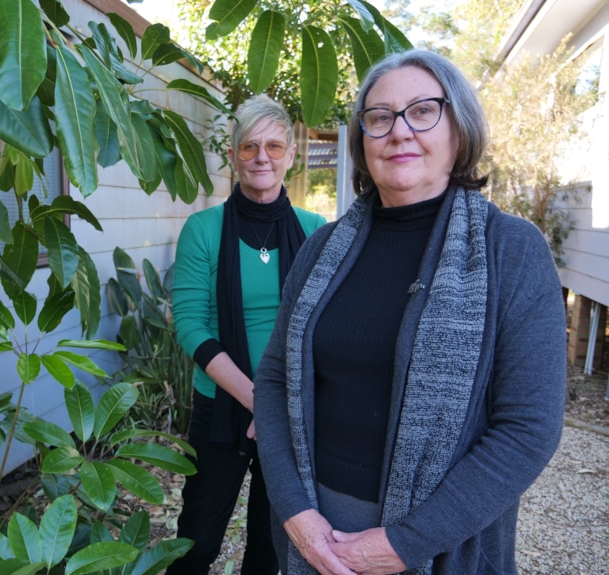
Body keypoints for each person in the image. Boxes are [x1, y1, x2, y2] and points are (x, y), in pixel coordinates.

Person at [254, 49, 567, 575]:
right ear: (363, 142)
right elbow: (275, 378)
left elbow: (528, 429)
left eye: (423, 111)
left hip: (442, 545)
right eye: (379, 118)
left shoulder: (511, 251)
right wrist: (296, 513)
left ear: (459, 132)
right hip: (312, 537)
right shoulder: (321, 250)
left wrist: (405, 543)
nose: (399, 132)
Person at [168, 94, 326, 575]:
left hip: (292, 413)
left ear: (291, 156)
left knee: (269, 548)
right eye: (250, 146)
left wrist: (281, 405)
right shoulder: (203, 229)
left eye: (275, 146)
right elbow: (191, 325)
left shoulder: (316, 230)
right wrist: (260, 402)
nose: (263, 158)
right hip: (221, 411)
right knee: (195, 544)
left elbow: (321, 327)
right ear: (233, 153)